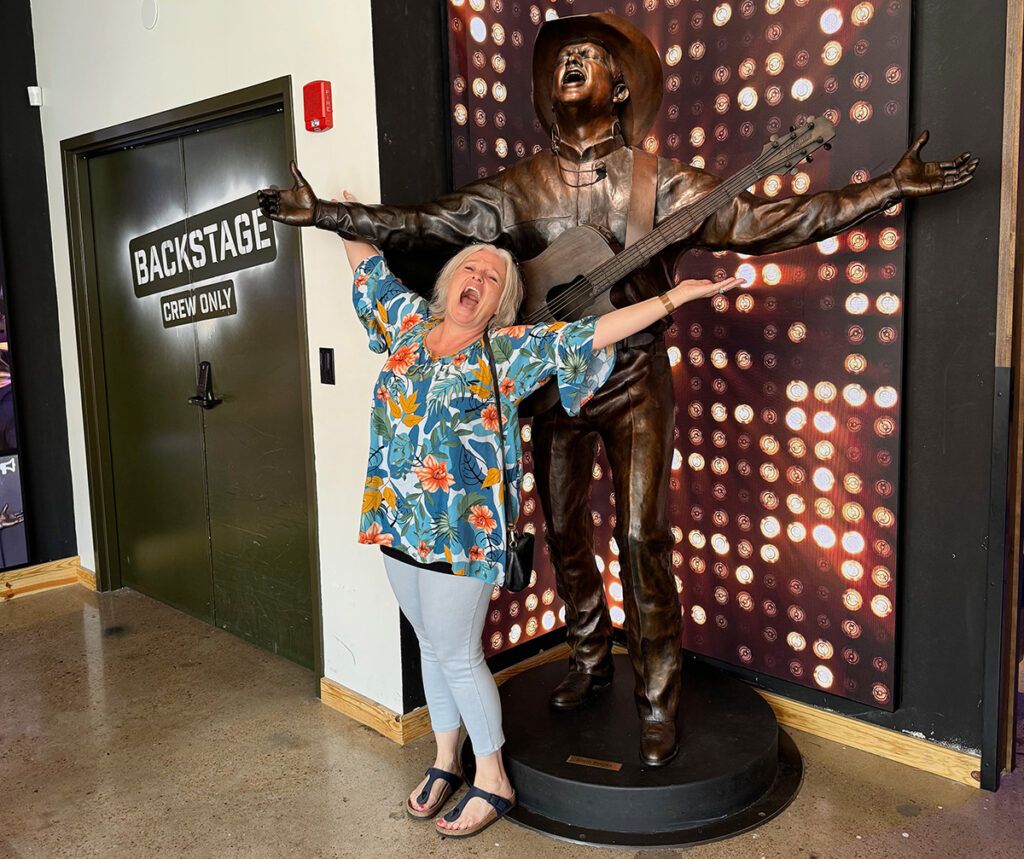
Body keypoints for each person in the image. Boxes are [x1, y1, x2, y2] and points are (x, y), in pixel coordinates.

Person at [260, 13, 976, 767]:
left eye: (591, 54)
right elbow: (422, 224)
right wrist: (327, 217)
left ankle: (659, 698)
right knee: (565, 533)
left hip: (631, 374)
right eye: (562, 55)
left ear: (623, 84)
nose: (571, 60)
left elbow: (771, 219)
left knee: (640, 535)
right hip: (548, 380)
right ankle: (589, 657)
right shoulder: (518, 186)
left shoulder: (662, 180)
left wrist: (887, 189)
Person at [335, 200, 740, 835]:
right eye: (471, 269)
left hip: (463, 535)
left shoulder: (509, 351)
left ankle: (491, 779)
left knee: (457, 652)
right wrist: (333, 216)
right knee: (432, 648)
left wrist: (674, 299)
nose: (479, 280)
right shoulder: (408, 326)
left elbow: (592, 335)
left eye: (494, 279)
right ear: (450, 282)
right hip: (397, 520)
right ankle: (446, 761)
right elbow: (366, 269)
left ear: (502, 302)